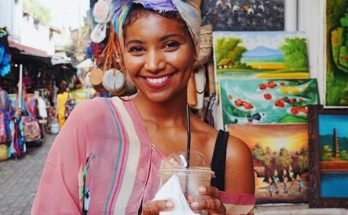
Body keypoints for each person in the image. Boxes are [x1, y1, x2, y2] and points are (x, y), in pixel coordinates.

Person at [32, 0, 255, 214]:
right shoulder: (91, 123)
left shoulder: (230, 156)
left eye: (170, 44)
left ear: (195, 47)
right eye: (137, 49)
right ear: (123, 54)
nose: (153, 64)